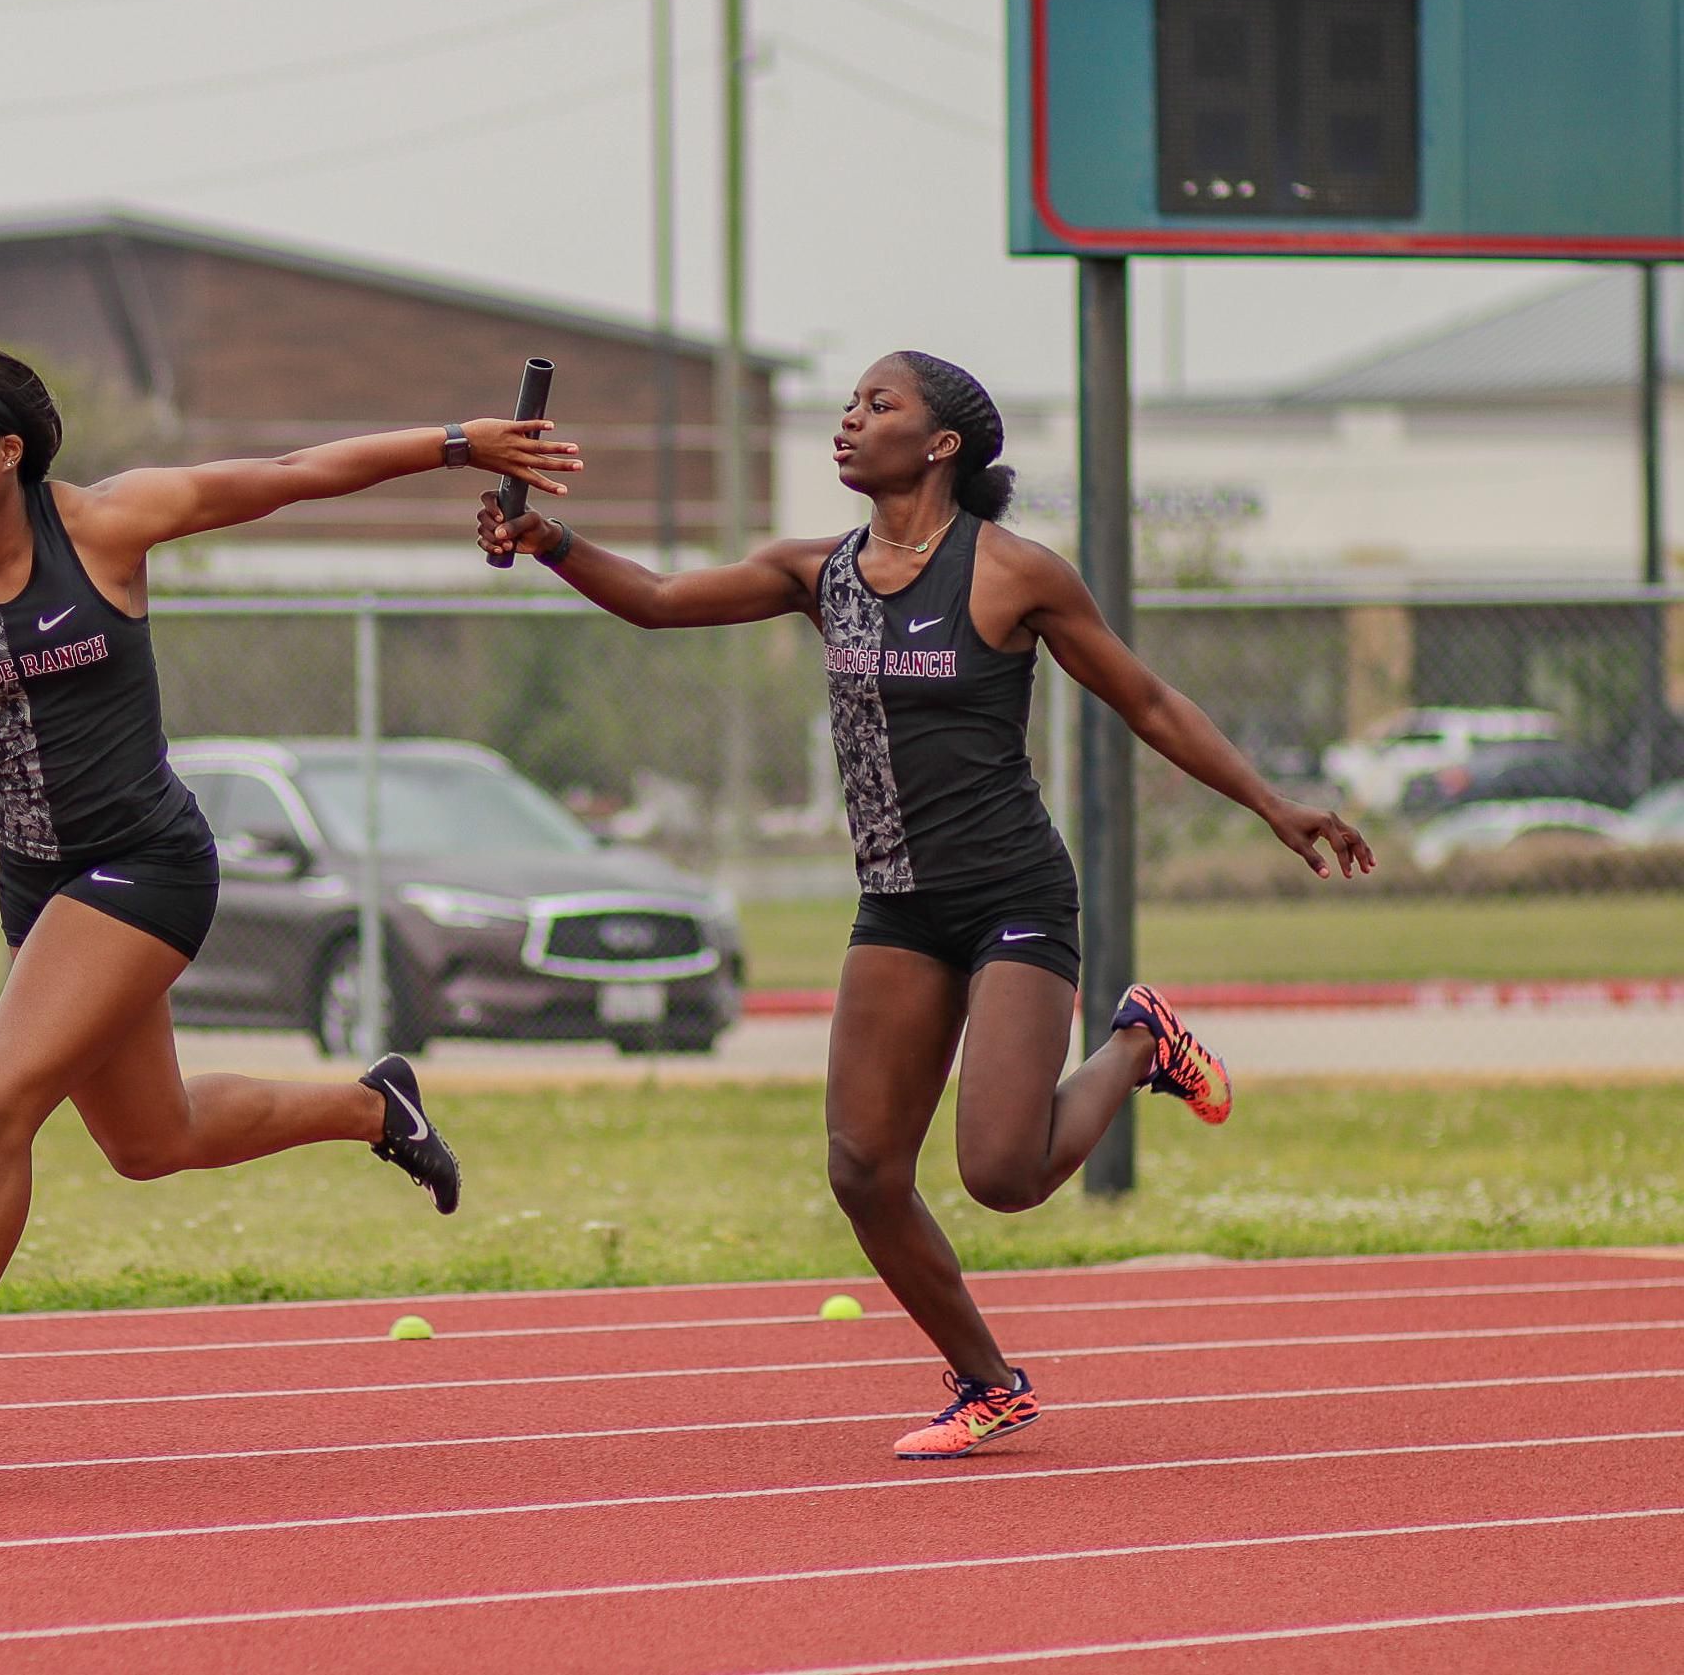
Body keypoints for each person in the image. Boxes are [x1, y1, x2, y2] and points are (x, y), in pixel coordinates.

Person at [476, 350, 1373, 1460]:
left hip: (1010, 894)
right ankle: (988, 1383)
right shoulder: (819, 571)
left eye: (876, 405)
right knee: (861, 1168)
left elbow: (1143, 698)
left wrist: (1270, 802)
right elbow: (659, 603)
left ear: (940, 442)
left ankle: (1139, 1043)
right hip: (897, 902)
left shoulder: (1013, 574)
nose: (848, 422)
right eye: (848, 405)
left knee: (1000, 1173)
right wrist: (549, 543)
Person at [0, 343, 581, 1467]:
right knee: (148, 1141)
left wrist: (459, 444)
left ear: (7, 451)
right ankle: (375, 1109)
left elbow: (298, 469)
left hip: (147, 862)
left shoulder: (110, 526)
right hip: (40, 884)